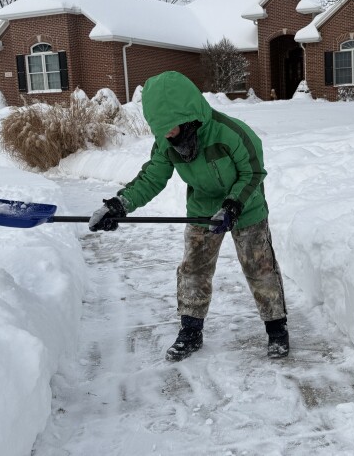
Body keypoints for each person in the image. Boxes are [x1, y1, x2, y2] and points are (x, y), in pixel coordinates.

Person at [88, 71, 289, 361]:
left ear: (190, 116)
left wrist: (232, 206)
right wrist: (119, 205)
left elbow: (253, 172)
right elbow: (151, 178)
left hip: (245, 206)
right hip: (203, 209)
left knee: (260, 268)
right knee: (194, 269)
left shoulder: (231, 133)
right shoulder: (166, 142)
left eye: (171, 127)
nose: (167, 134)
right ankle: (191, 331)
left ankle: (276, 329)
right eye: (161, 129)